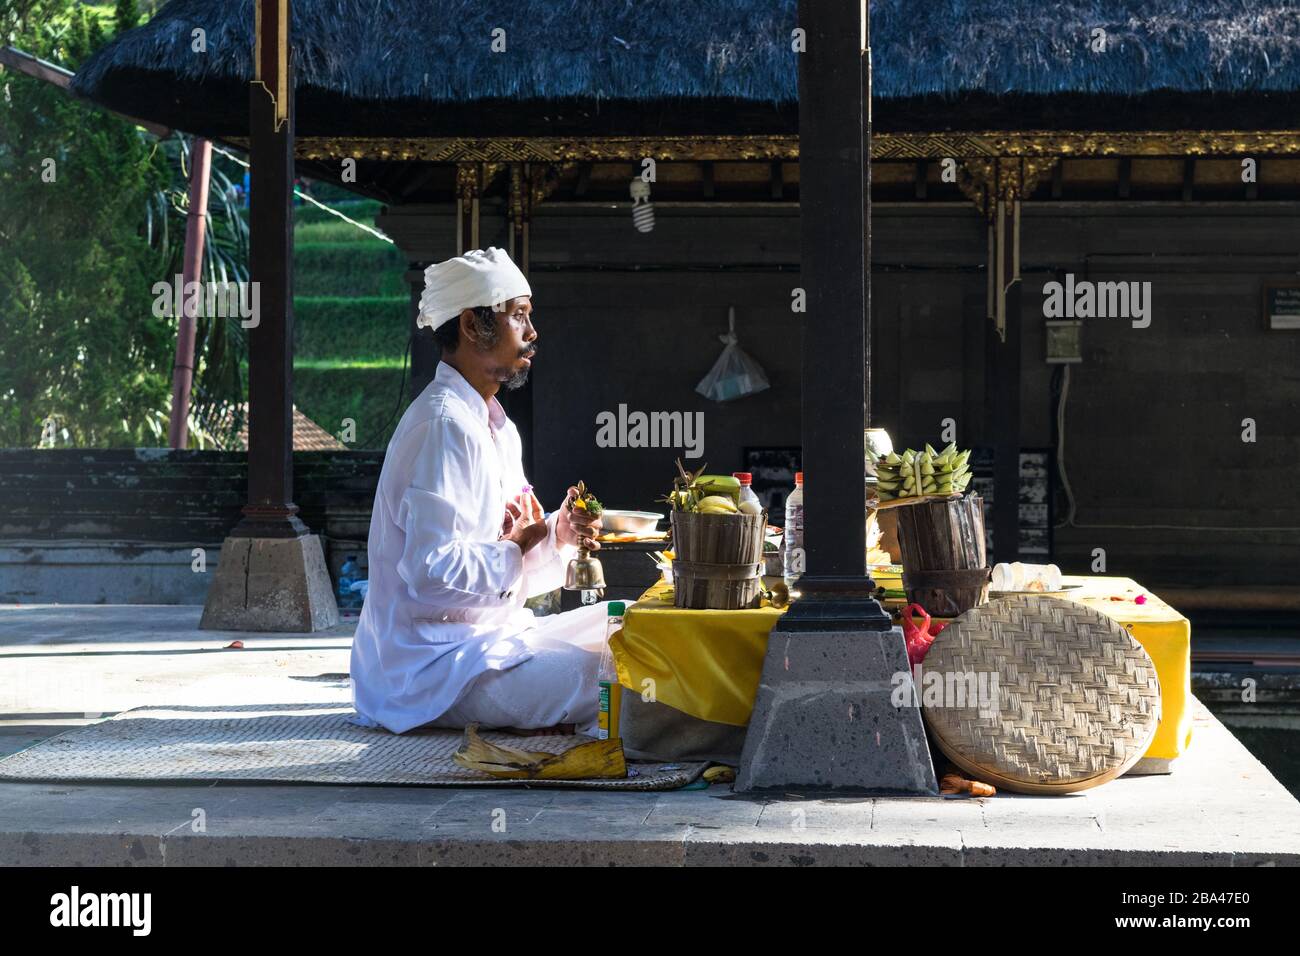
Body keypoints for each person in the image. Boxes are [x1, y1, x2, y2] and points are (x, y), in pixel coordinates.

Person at [350, 247, 612, 737]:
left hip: (490, 640)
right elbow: (431, 572)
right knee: (610, 677)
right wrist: (518, 544)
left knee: (640, 632)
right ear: (473, 326)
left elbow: (509, 576)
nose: (532, 333)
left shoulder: (495, 427)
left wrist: (556, 531)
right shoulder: (444, 424)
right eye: (518, 316)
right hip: (430, 668)